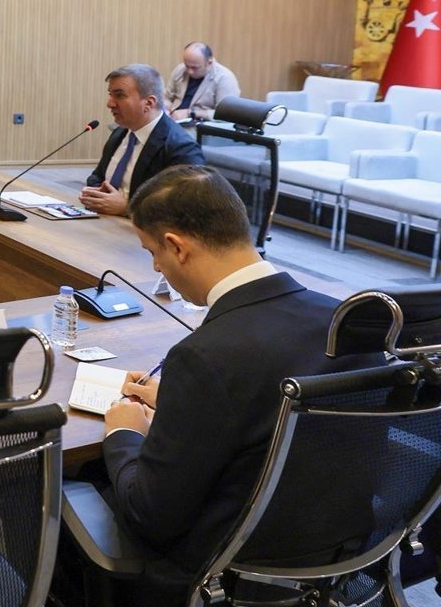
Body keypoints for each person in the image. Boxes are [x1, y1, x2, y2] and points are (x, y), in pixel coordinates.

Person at [87, 165, 383, 604]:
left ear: (176, 246)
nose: (156, 266)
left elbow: (148, 518)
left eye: (152, 252)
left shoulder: (205, 356)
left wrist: (125, 432)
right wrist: (177, 404)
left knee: (79, 489)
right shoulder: (346, 322)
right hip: (334, 566)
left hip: (217, 579)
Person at [80, 64, 204, 216]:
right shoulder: (120, 132)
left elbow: (186, 207)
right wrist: (95, 193)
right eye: (110, 94)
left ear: (149, 103)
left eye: (119, 95)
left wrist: (127, 208)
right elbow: (98, 175)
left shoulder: (181, 148)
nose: (110, 103)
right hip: (102, 219)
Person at [163, 42, 240, 122]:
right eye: (187, 66)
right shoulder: (180, 69)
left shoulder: (225, 78)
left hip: (201, 124)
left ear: (209, 63)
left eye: (194, 68)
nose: (190, 71)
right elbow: (166, 97)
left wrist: (192, 113)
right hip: (174, 119)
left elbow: (227, 115)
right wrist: (166, 109)